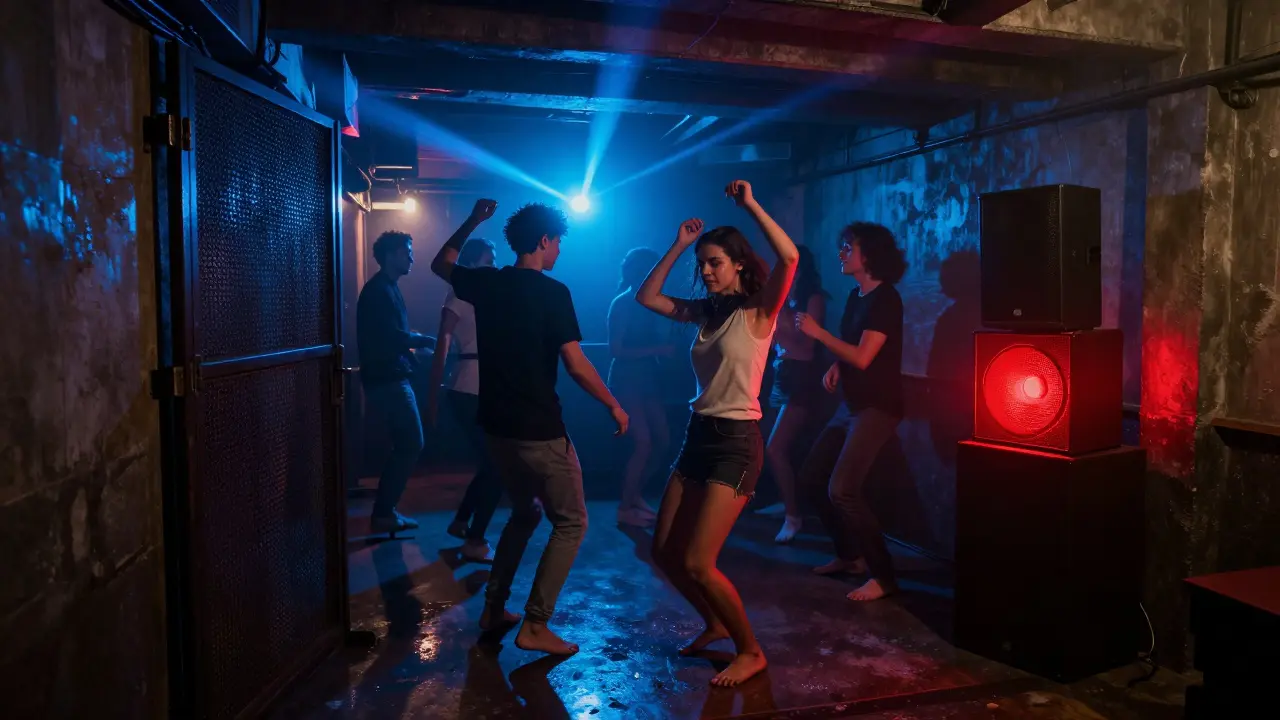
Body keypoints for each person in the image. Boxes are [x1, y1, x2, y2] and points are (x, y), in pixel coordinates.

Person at [430, 198, 629, 656]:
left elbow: (441, 262)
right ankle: (535, 624)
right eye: (557, 241)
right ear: (544, 241)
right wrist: (613, 406)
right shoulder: (552, 292)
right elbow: (576, 364)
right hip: (539, 428)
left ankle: (494, 609)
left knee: (526, 513)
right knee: (572, 521)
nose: (559, 250)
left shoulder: (487, 284)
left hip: (497, 428)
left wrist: (471, 219)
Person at [635, 180, 799, 688]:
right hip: (697, 434)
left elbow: (789, 257)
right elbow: (647, 297)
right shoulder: (706, 314)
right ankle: (713, 623)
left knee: (698, 562)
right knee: (663, 551)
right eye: (702, 264)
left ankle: (750, 650)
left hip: (734, 442)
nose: (705, 272)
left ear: (740, 265)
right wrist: (680, 245)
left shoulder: (759, 311)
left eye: (715, 263)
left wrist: (750, 203)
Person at [794, 222, 908, 602]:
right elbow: (852, 351)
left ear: (868, 255)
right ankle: (849, 557)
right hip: (851, 404)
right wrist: (835, 366)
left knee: (843, 490)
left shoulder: (886, 299)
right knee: (811, 479)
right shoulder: (857, 295)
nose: (842, 253)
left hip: (877, 407)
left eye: (848, 247)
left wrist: (818, 334)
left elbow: (863, 355)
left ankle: (884, 576)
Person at [426, 238, 501, 562]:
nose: (494, 265)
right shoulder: (459, 293)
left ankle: (462, 523)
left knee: (492, 463)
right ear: (471, 263)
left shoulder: (488, 294)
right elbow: (443, 340)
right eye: (489, 259)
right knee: (497, 465)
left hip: (483, 387)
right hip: (468, 387)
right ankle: (474, 538)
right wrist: (432, 393)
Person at [754, 245, 831, 544]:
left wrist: (780, 311)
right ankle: (788, 503)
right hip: (782, 376)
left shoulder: (813, 299)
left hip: (802, 378)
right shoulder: (786, 297)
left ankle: (793, 516)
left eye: (788, 266)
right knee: (773, 447)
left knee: (776, 448)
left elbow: (805, 347)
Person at [356, 231, 431, 536]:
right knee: (411, 442)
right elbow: (390, 337)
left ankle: (385, 511)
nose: (411, 257)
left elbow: (390, 336)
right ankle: (384, 512)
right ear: (391, 254)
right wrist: (424, 340)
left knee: (406, 443)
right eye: (407, 251)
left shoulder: (386, 289)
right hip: (389, 379)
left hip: (389, 377)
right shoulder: (380, 291)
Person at [608, 247, 673, 527]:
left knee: (663, 441)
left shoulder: (650, 303)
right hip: (627, 379)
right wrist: (657, 348)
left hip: (648, 378)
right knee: (644, 442)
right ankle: (625, 506)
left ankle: (634, 496)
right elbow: (616, 350)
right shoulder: (622, 303)